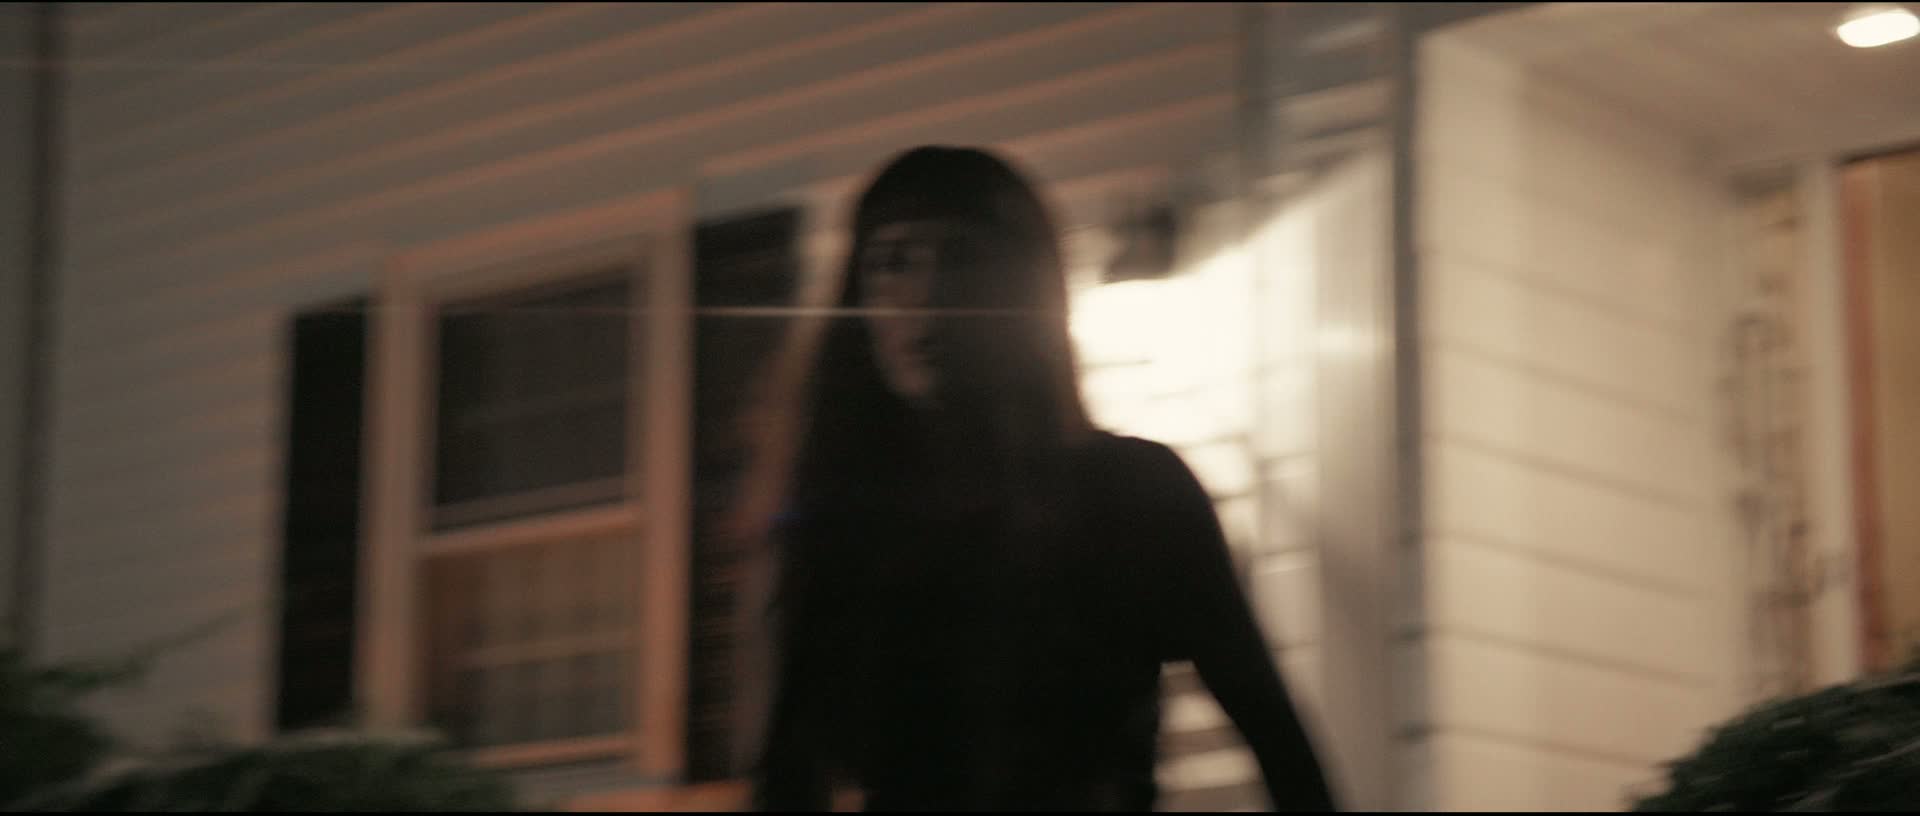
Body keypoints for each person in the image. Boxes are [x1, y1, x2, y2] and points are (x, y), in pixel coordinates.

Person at [751, 145, 1336, 812]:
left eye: (961, 258)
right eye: (893, 262)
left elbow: (1278, 742)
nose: (925, 295)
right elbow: (787, 776)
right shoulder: (842, 527)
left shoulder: (1134, 493)